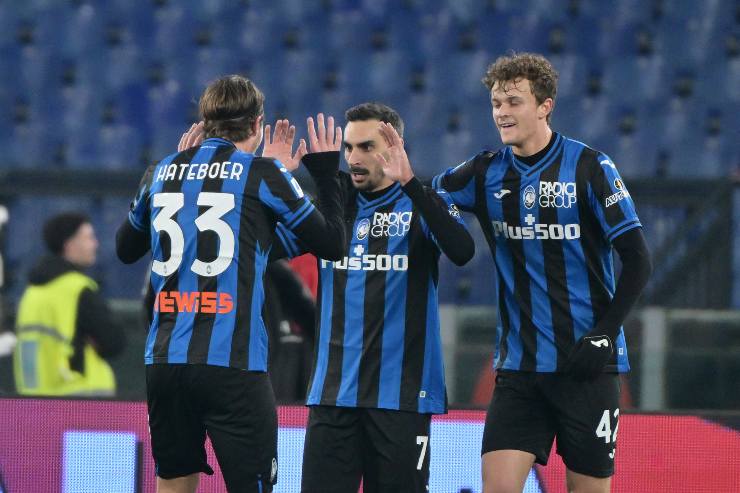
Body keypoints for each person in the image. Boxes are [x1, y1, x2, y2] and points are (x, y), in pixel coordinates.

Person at [431, 53, 652, 493]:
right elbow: (430, 196)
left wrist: (604, 334)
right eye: (496, 103)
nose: (502, 112)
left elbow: (638, 260)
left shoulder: (590, 167)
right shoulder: (484, 171)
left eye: (514, 102)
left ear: (545, 106)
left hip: (587, 367)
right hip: (519, 370)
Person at [116, 75, 346, 493]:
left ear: (205, 122)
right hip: (233, 367)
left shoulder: (162, 170)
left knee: (173, 481)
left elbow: (126, 248)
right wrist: (325, 173)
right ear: (257, 124)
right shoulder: (262, 174)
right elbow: (331, 243)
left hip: (166, 363)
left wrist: (182, 175)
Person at [272, 103, 475, 492]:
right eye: (348, 148)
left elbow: (462, 250)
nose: (353, 158)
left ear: (394, 148)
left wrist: (411, 184)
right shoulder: (334, 207)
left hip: (402, 399)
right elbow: (266, 247)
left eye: (366, 147)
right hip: (333, 396)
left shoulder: (421, 202)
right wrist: (274, 179)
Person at [13, 212, 125, 396]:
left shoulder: (31, 293)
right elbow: (113, 342)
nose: (95, 244)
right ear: (70, 244)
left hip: (33, 399)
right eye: (89, 237)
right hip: (81, 397)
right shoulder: (78, 289)